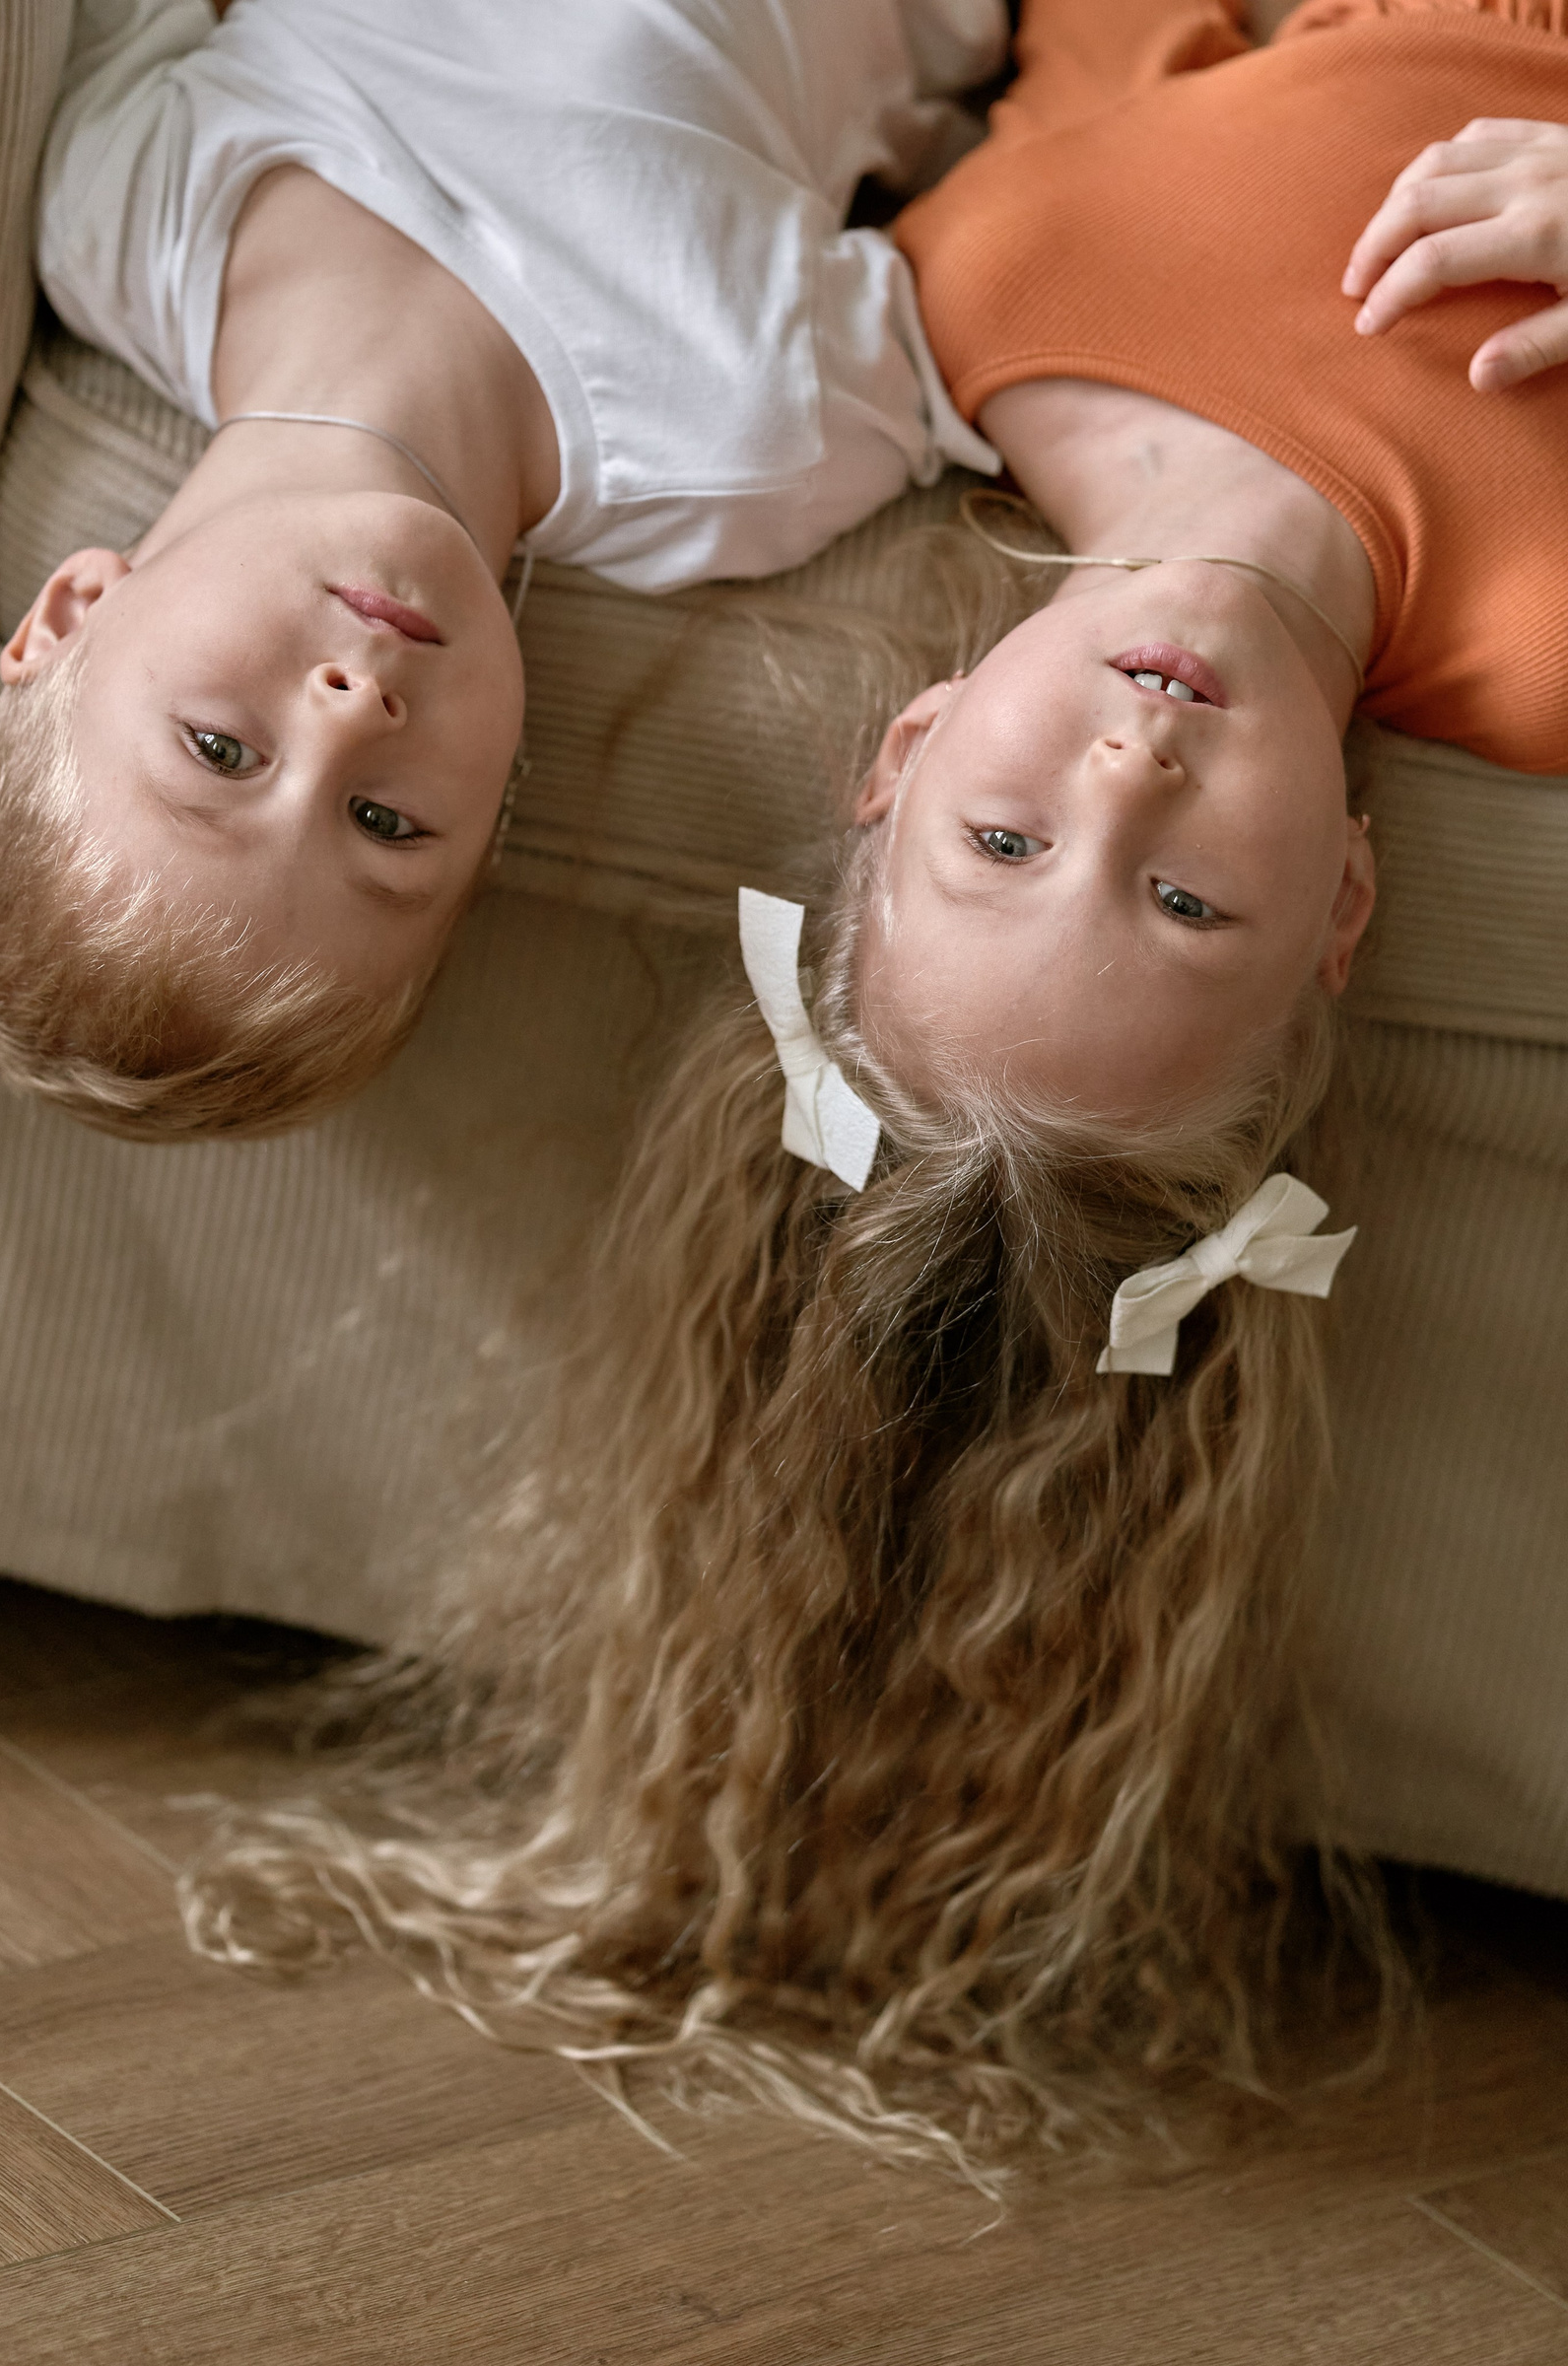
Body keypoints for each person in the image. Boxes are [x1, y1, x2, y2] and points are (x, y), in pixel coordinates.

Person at [179, 0, 1568, 2174]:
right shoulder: (1546, 637)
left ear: (911, 750)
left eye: (1005, 845)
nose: (1127, 776)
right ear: (1343, 913)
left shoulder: (966, 300)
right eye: (1185, 900)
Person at [0, 0, 1007, 1139]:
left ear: (73, 613)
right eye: (383, 822)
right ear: (492, 821)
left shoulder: (120, 212)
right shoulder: (738, 454)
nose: (352, 716)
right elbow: (1008, 269)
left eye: (220, 751)